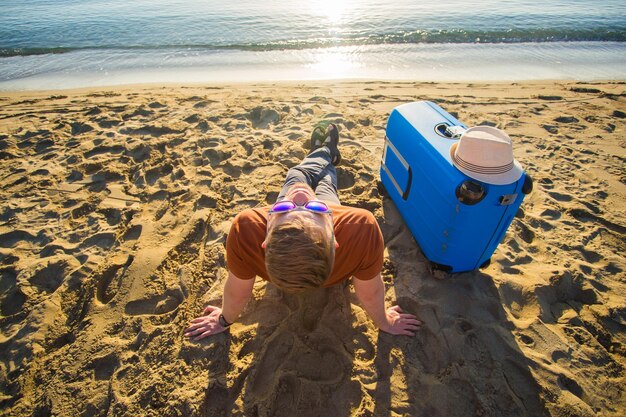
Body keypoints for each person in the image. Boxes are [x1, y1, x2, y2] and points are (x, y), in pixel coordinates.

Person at [184, 123, 422, 340]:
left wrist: (224, 320)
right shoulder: (360, 227)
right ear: (334, 238)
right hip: (329, 223)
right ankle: (326, 154)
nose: (300, 197)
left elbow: (238, 292)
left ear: (265, 240)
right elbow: (369, 292)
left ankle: (321, 153)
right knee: (326, 182)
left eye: (284, 208)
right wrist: (384, 321)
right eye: (315, 210)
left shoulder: (247, 228)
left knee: (296, 176)